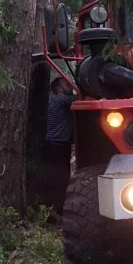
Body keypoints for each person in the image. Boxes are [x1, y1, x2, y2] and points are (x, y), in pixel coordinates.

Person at [44, 78, 75, 213]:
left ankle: (55, 208)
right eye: (66, 84)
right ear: (59, 89)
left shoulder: (58, 100)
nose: (69, 85)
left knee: (60, 176)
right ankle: (55, 209)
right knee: (59, 177)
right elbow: (78, 97)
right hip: (57, 145)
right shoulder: (59, 100)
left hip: (58, 144)